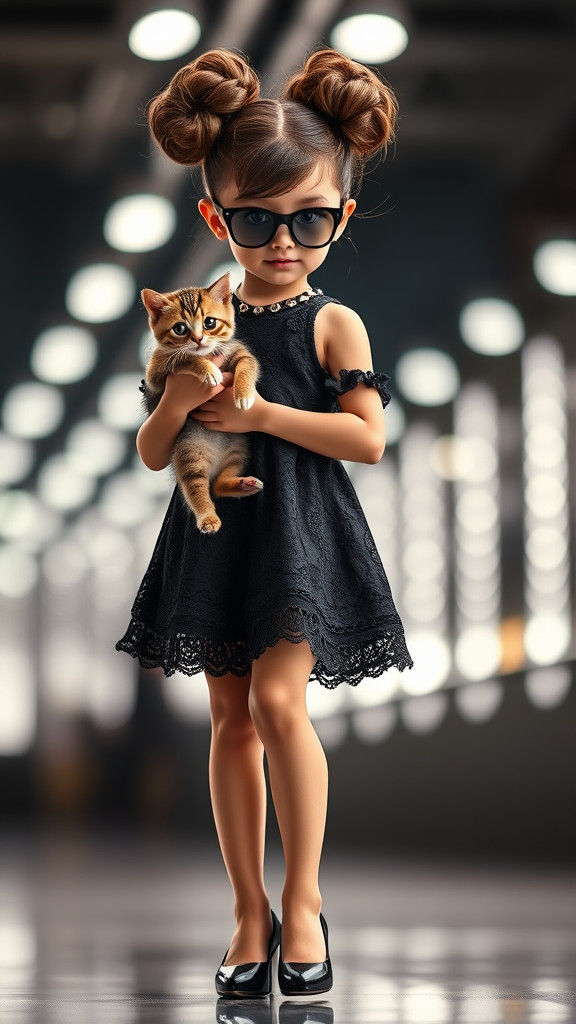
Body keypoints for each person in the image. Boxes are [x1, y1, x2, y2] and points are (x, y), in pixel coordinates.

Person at [115, 46, 414, 997]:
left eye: (311, 219)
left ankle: (307, 899)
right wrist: (176, 403)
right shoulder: (194, 320)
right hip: (217, 533)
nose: (284, 240)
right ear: (216, 216)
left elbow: (367, 440)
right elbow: (155, 451)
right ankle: (250, 911)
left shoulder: (335, 323)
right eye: (255, 219)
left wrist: (259, 417)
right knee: (229, 718)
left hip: (304, 531)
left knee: (282, 706)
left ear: (342, 216)